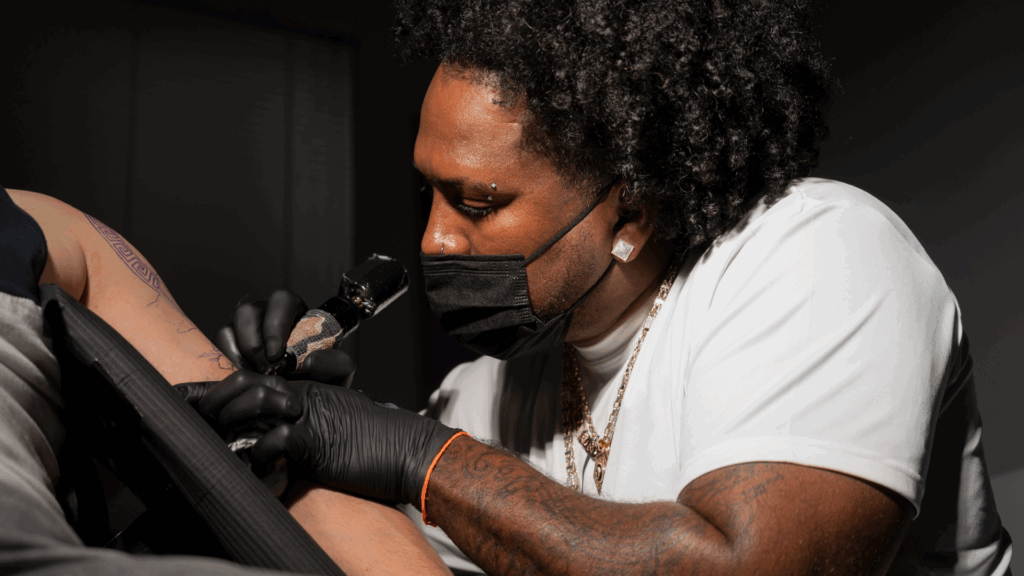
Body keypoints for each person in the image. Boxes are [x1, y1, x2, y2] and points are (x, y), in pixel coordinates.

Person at [184, 0, 1012, 574]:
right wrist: (310, 427)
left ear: (635, 214)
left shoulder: (817, 253)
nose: (432, 237)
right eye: (428, 193)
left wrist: (413, 456)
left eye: (479, 203)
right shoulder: (483, 393)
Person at [0, 186, 451, 575]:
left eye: (477, 202)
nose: (435, 239)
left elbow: (318, 504)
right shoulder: (54, 231)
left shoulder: (38, 227)